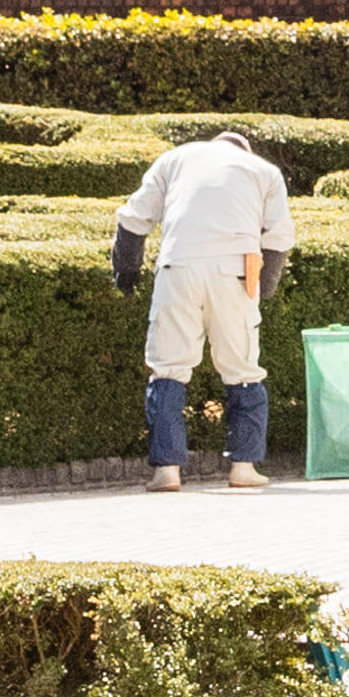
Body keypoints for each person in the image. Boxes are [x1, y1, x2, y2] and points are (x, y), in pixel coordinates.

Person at [113, 120, 293, 490]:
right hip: (236, 270)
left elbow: (132, 219)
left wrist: (125, 273)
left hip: (178, 266)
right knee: (242, 368)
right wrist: (265, 290)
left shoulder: (174, 158)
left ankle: (167, 471)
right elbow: (277, 238)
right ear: (245, 152)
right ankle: (244, 467)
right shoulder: (264, 171)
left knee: (168, 367)